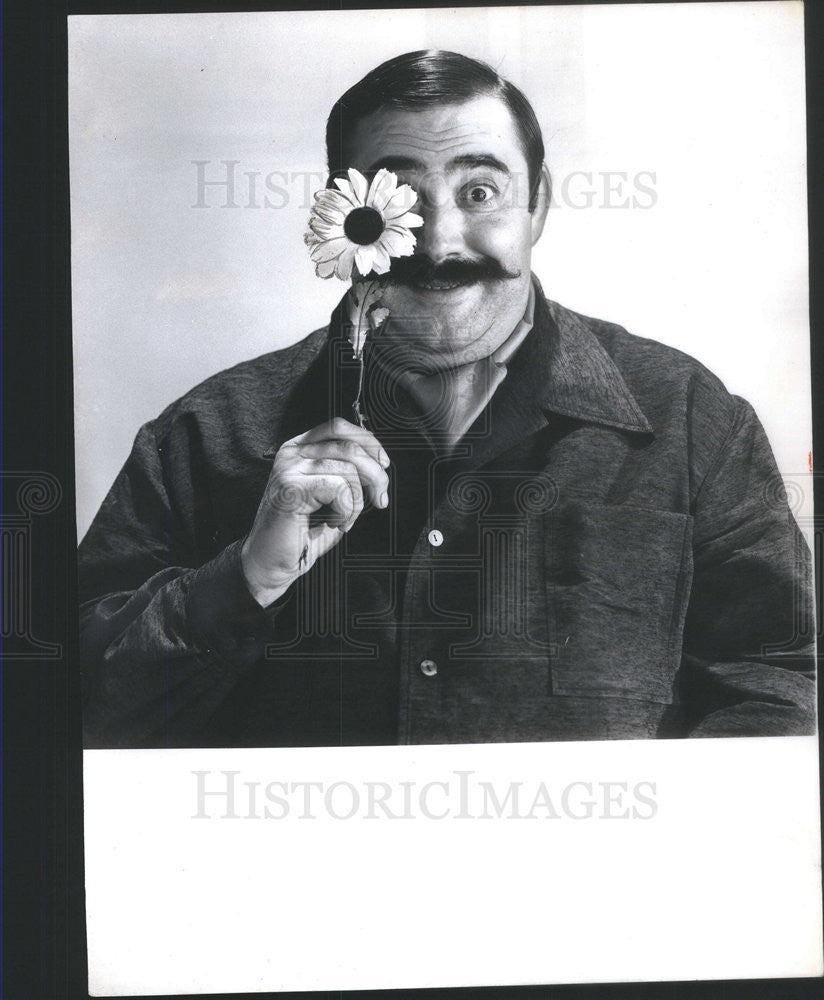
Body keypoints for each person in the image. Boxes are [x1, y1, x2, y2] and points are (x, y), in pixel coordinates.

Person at [78, 50, 815, 749]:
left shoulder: (693, 423)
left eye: (480, 191)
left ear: (539, 206)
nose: (439, 238)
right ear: (344, 212)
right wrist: (241, 580)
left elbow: (781, 688)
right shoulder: (204, 436)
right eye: (396, 194)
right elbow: (70, 712)